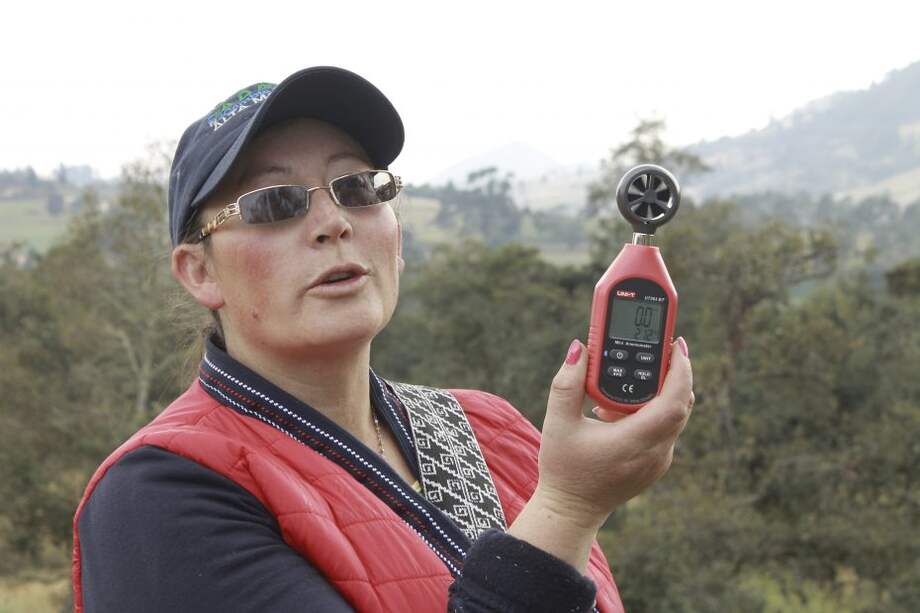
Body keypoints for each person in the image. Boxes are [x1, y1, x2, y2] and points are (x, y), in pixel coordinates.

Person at [71, 67, 694, 612]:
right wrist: (567, 508)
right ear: (199, 272)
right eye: (274, 203)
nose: (333, 222)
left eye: (359, 187)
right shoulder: (156, 497)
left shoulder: (492, 429)